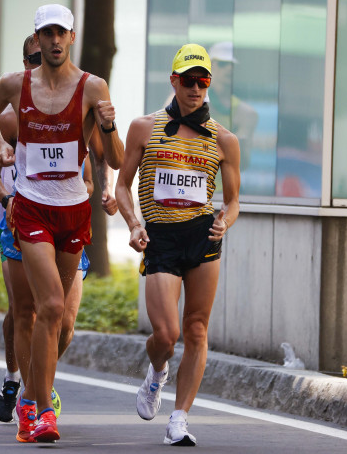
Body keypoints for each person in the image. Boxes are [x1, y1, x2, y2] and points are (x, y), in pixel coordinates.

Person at [0, 4, 123, 443]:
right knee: (50, 307)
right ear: (37, 39)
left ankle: (30, 392)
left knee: (60, 322)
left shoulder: (92, 87)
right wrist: (2, 145)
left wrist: (110, 128)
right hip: (31, 207)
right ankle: (41, 410)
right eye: (48, 33)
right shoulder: (14, 86)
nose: (55, 41)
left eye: (62, 33)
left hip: (74, 211)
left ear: (72, 37)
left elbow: (113, 158)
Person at [115, 43, 240, 446]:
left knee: (197, 330)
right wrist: (134, 224)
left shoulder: (224, 138)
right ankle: (156, 373)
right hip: (161, 237)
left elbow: (235, 201)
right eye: (188, 81)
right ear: (174, 82)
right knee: (166, 335)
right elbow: (121, 185)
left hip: (202, 235)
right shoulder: (143, 127)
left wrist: (225, 220)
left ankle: (180, 419)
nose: (196, 89)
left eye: (203, 81)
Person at [206, 41, 257, 171]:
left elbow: (243, 164)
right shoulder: (190, 102)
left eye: (232, 64)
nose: (229, 68)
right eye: (222, 64)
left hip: (224, 188)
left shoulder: (246, 114)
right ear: (210, 66)